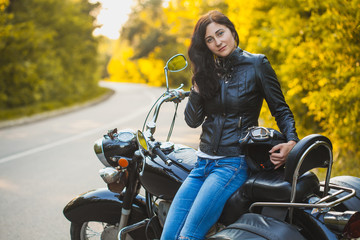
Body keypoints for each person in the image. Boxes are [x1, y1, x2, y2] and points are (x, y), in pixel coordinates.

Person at [160, 10, 299, 240]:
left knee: (189, 235)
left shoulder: (257, 64)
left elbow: (281, 109)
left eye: (220, 33)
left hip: (232, 163)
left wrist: (291, 141)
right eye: (209, 40)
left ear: (232, 31)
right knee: (168, 236)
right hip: (202, 163)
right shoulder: (208, 72)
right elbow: (193, 121)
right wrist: (198, 81)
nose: (218, 42)